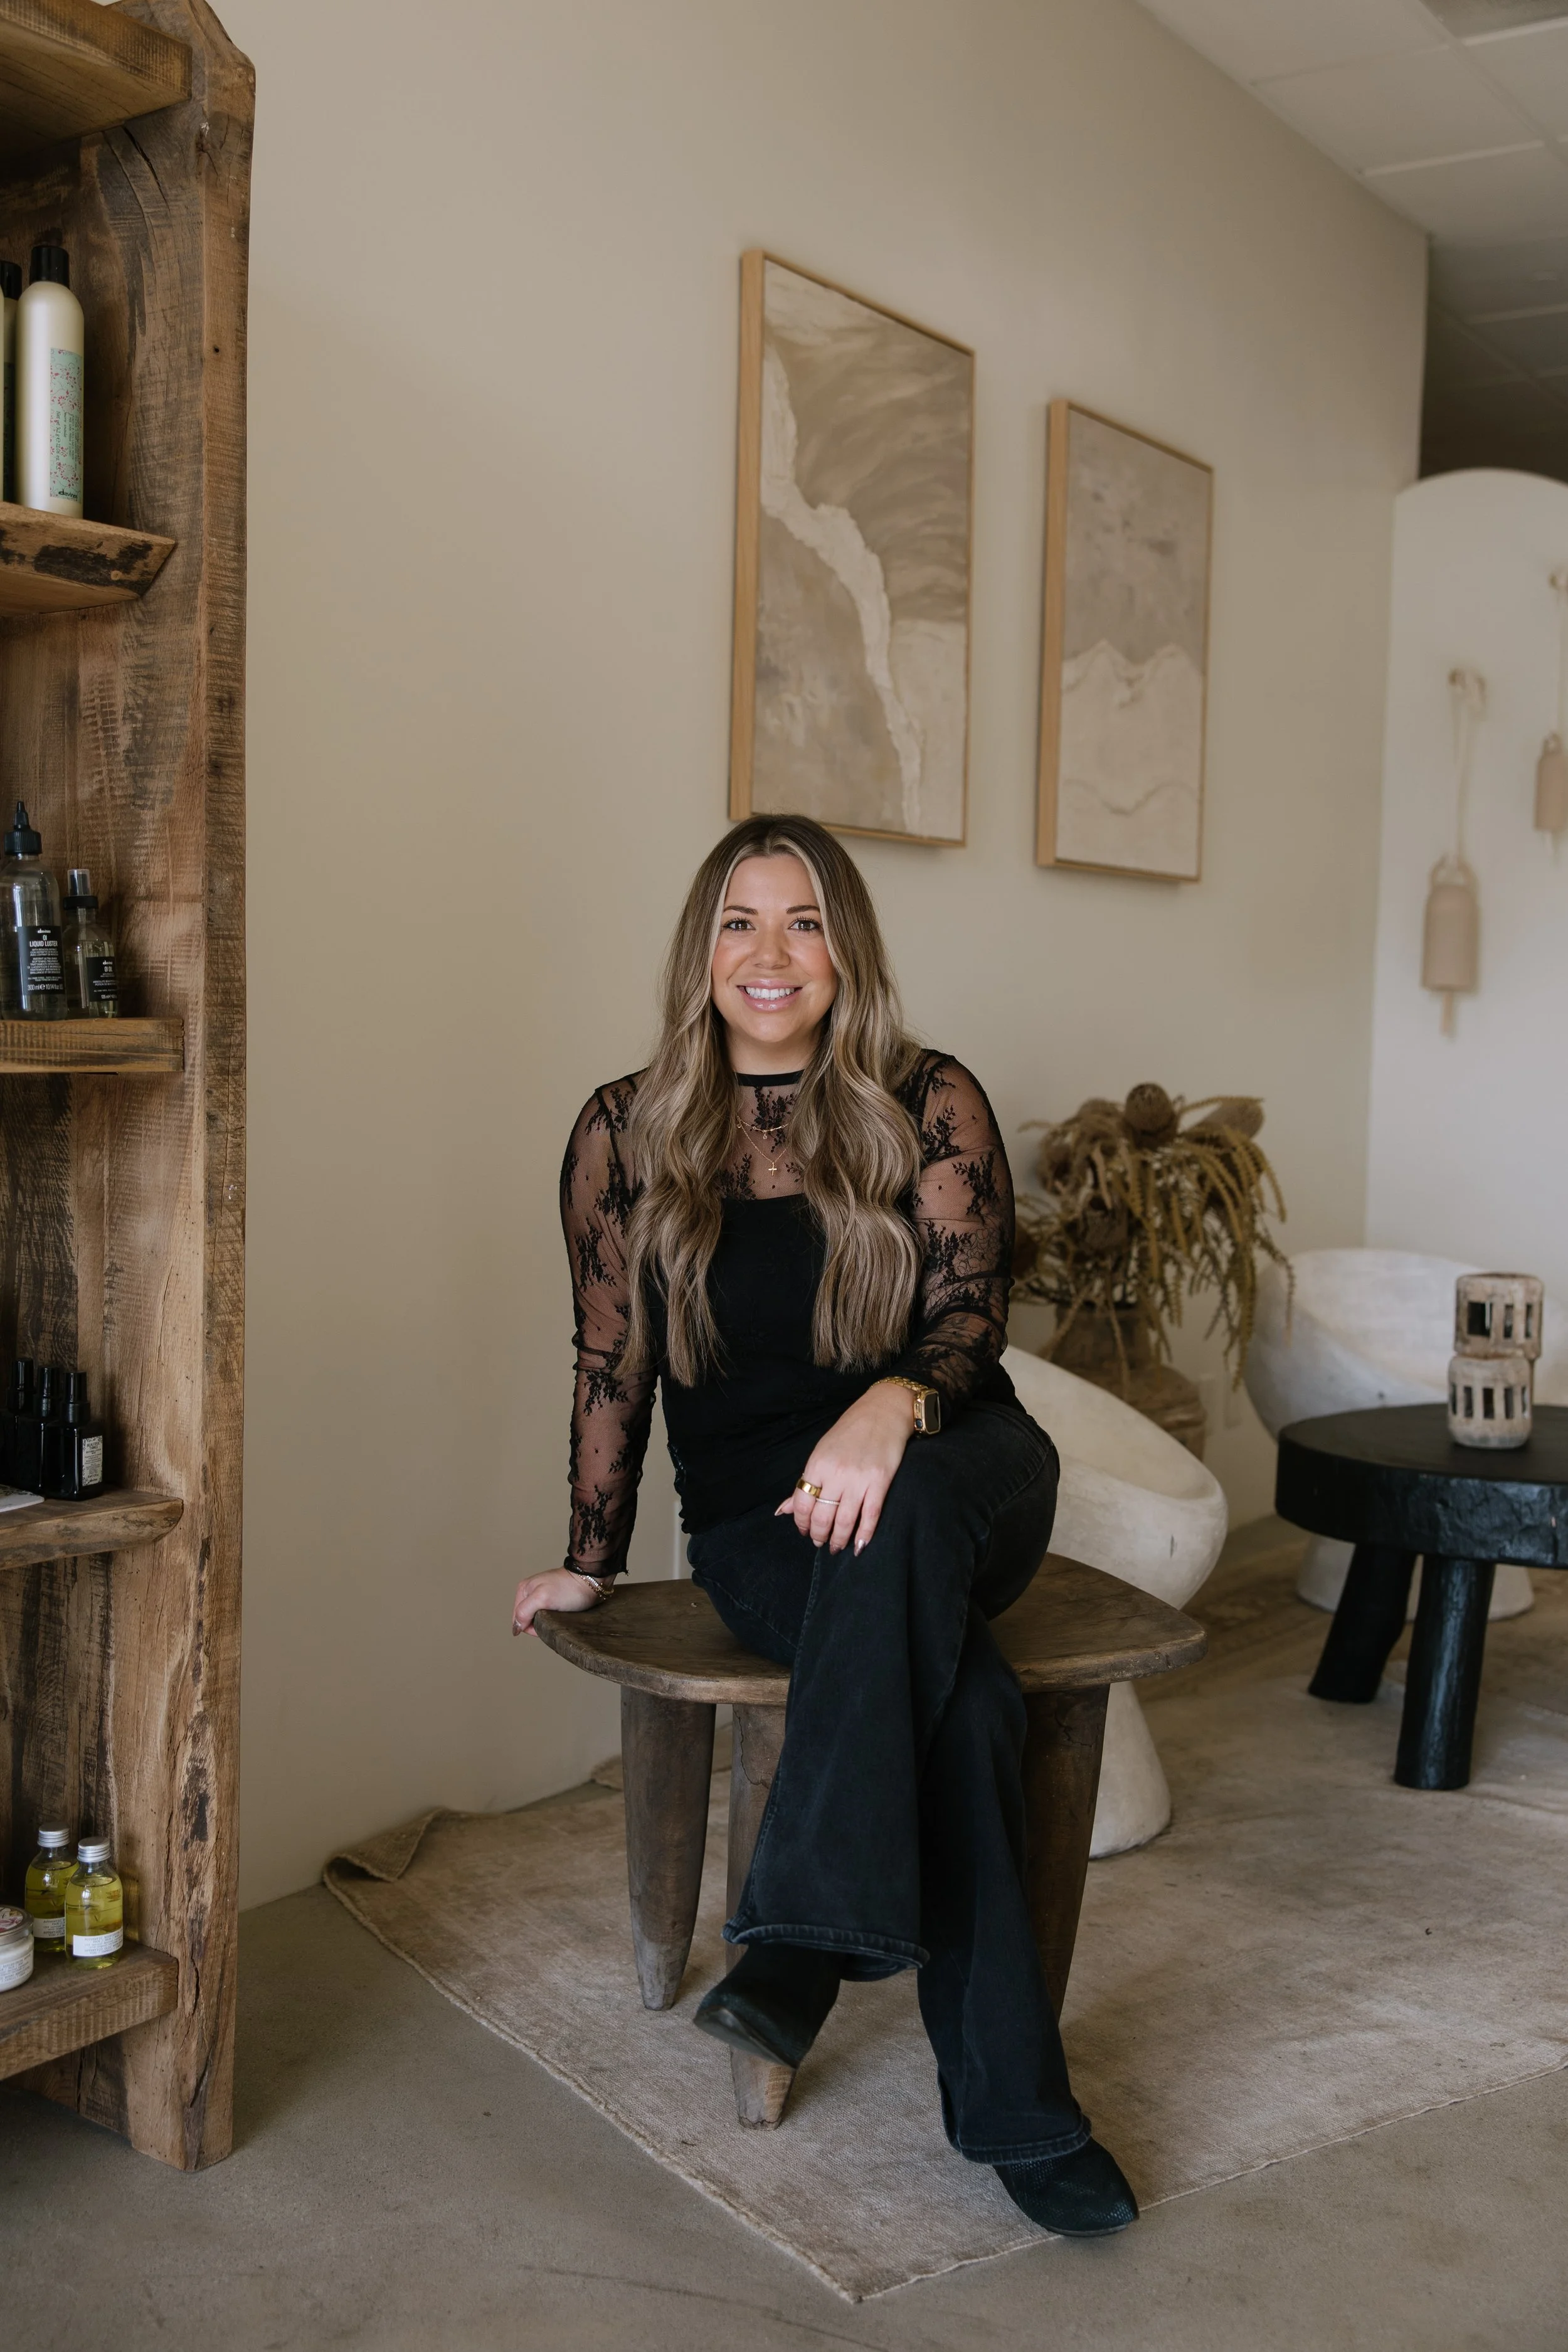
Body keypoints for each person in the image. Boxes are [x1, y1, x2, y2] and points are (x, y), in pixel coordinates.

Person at [512, 813, 1137, 2238]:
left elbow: (972, 1323)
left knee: (909, 1502)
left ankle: (792, 1939)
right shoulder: (624, 1130)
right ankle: (1016, 2116)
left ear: (843, 949)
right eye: (739, 921)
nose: (770, 954)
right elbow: (610, 1356)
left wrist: (893, 1406)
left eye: (802, 921)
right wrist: (591, 1553)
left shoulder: (924, 1101)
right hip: (764, 1526)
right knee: (965, 1705)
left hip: (961, 1467)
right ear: (702, 949)